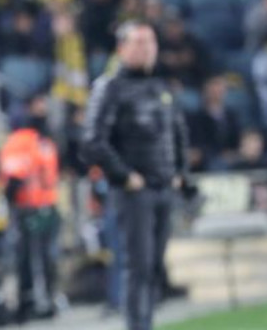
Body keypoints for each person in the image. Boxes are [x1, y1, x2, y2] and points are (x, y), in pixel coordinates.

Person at [80, 21, 188, 330]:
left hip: (163, 187)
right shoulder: (110, 87)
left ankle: (146, 323)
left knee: (154, 267)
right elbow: (91, 143)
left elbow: (177, 133)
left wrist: (181, 173)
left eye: (150, 42)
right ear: (121, 48)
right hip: (133, 192)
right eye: (138, 42)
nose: (146, 49)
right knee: (137, 266)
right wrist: (125, 176)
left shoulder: (161, 87)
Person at [0, 95, 61, 323]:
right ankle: (45, 301)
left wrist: (8, 204)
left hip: (31, 206)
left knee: (29, 257)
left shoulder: (22, 141)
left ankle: (31, 303)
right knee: (43, 256)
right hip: (44, 205)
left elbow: (13, 179)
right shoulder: (42, 141)